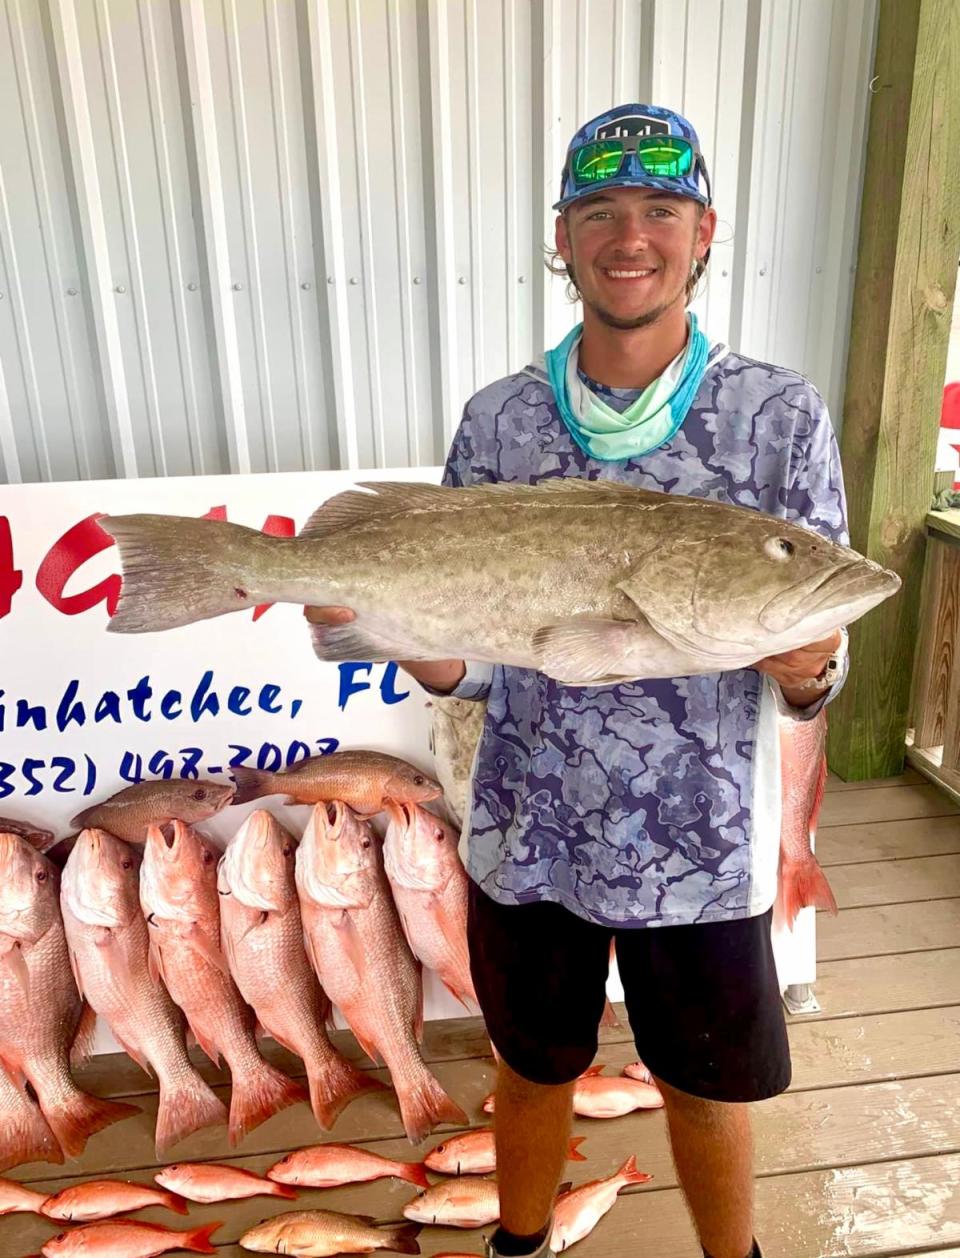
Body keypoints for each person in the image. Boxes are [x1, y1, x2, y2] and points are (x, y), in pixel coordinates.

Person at [308, 103, 848, 1258]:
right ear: (562, 238)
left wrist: (811, 671)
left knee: (706, 1083)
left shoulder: (778, 418)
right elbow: (465, 673)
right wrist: (396, 626)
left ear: (706, 231)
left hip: (701, 844)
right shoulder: (497, 422)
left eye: (661, 210)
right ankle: (520, 1243)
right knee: (532, 1059)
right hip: (526, 823)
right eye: (599, 211)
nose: (630, 236)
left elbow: (814, 657)